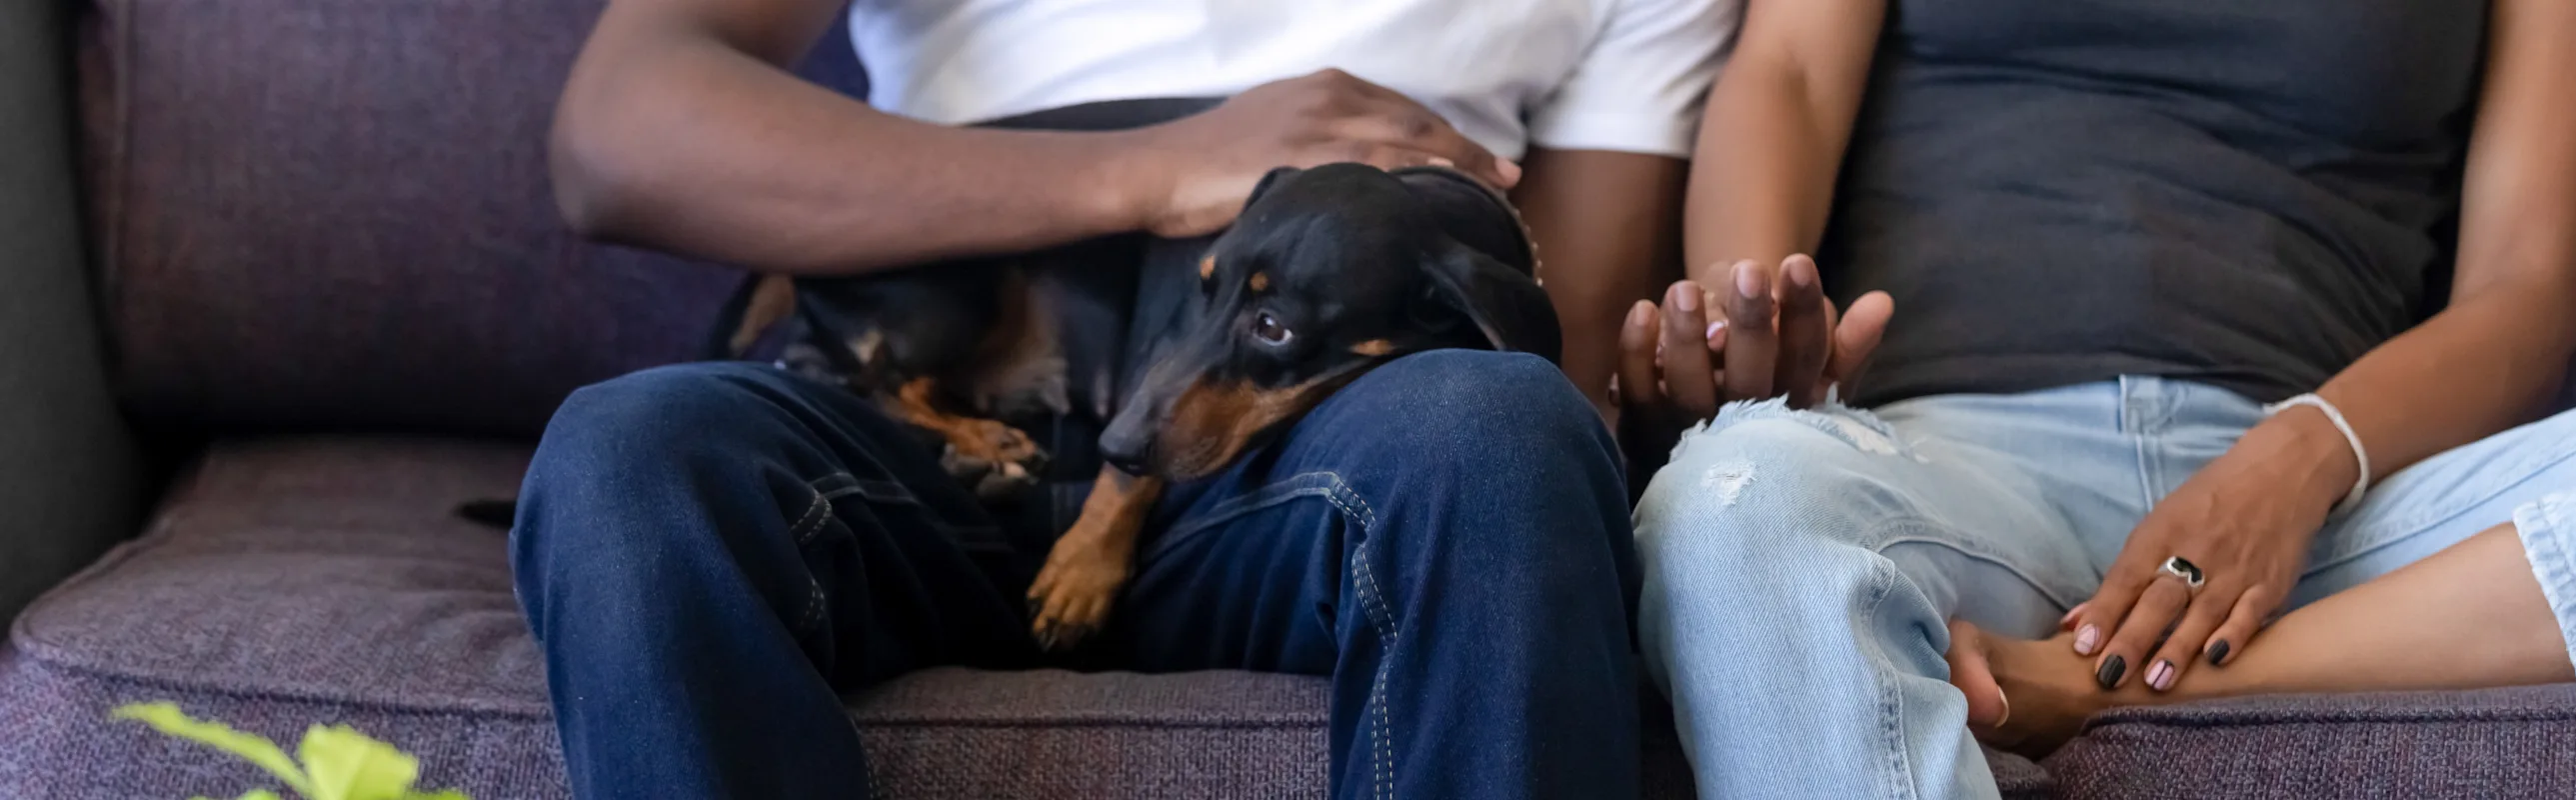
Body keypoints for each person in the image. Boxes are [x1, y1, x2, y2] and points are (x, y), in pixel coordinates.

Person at [510, 0, 1738, 797]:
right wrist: (1148, 171)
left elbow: (1559, 329)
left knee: (1506, 431)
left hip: (1312, 469)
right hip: (920, 420)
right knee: (625, 447)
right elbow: (615, 138)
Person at [1614, 0, 2576, 797]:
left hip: (2339, 512)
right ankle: (2149, 664)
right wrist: (1748, 324)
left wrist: (2299, 457)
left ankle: (2115, 684)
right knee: (1730, 500)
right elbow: (1788, 75)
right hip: (1946, 468)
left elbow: (2522, 291)